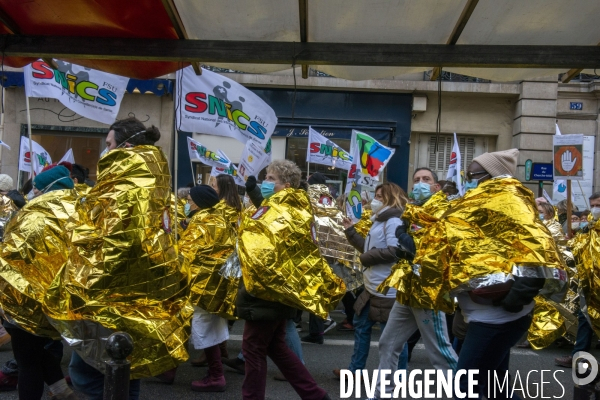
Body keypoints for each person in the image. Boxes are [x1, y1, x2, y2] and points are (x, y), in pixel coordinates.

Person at [43, 117, 191, 400]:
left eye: (109, 144)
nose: (106, 150)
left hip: (113, 293)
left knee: (93, 374)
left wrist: (80, 269)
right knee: (121, 368)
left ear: (127, 145)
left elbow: (119, 242)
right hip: (136, 291)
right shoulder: (148, 178)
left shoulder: (129, 183)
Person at [412, 149, 566, 398]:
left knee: (464, 387)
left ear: (491, 175)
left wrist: (513, 301)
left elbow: (539, 253)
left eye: (472, 174)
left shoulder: (511, 203)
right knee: (495, 387)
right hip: (486, 314)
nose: (469, 179)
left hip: (496, 318)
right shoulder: (484, 203)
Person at [236, 159, 336, 400]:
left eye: (271, 179)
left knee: (253, 347)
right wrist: (253, 192)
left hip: (269, 288)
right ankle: (315, 395)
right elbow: (271, 214)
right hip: (276, 288)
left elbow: (270, 233)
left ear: (287, 185)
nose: (266, 182)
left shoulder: (288, 208)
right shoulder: (288, 205)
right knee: (275, 346)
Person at [372, 168, 457, 399]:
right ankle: (382, 394)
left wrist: (403, 237)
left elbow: (425, 250)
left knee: (440, 352)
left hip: (429, 291)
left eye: (426, 180)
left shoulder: (444, 211)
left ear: (436, 186)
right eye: (416, 180)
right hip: (409, 288)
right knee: (387, 343)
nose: (420, 183)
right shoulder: (414, 210)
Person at [0, 165, 77, 399]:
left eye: (36, 188)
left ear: (48, 188)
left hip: (25, 298)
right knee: (33, 351)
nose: (33, 192)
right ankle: (61, 390)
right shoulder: (77, 210)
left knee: (27, 360)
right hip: (55, 297)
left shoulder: (37, 215)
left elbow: (15, 256)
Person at [334, 182, 409, 379]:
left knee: (392, 339)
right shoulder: (379, 220)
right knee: (361, 328)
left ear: (391, 199)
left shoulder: (394, 221)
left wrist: (366, 258)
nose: (375, 200)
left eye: (380, 197)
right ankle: (355, 371)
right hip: (372, 287)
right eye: (376, 196)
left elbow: (397, 251)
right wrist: (351, 231)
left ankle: (398, 376)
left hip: (387, 290)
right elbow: (368, 250)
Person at [179, 184, 237, 392]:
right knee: (212, 327)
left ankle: (216, 376)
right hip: (219, 286)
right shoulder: (220, 219)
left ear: (198, 202)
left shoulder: (201, 222)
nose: (187, 203)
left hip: (202, 287)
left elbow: (186, 255)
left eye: (190, 200)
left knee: (204, 329)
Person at [554, 192, 600, 368]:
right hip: (590, 281)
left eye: (599, 205)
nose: (596, 209)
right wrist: (570, 242)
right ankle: (578, 356)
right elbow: (580, 249)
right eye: (593, 205)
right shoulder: (589, 226)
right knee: (585, 317)